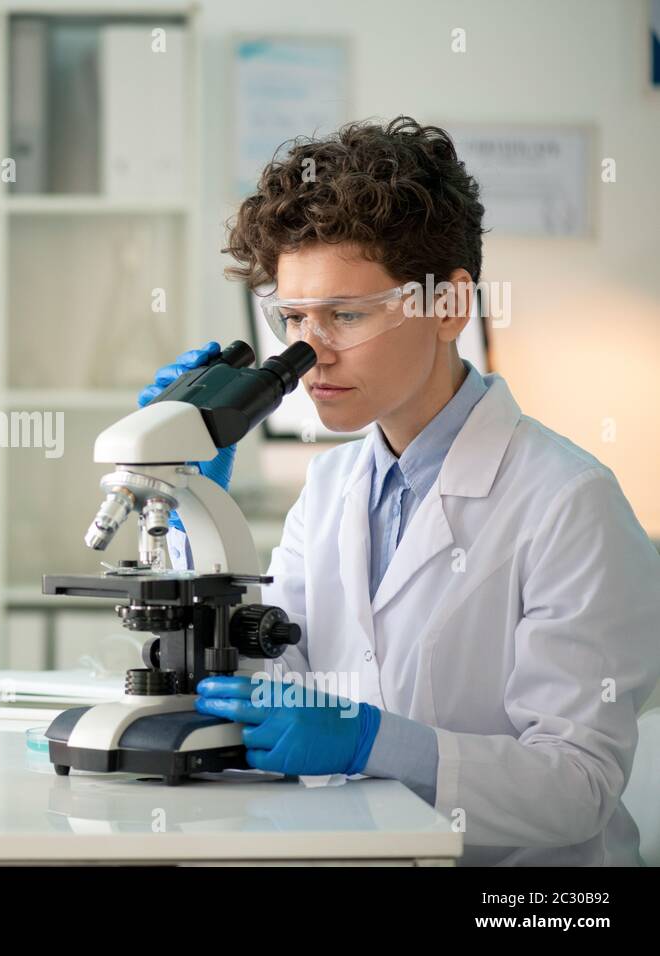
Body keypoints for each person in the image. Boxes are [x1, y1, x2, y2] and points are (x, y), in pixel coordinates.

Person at [140, 116, 660, 865]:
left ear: (449, 306)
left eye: (345, 316)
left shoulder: (570, 502)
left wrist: (376, 741)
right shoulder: (330, 487)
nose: (309, 353)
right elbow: (268, 685)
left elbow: (578, 786)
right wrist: (196, 502)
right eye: (292, 318)